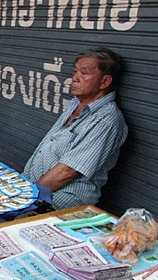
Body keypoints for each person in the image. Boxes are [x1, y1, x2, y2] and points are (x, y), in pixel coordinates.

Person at [23, 47, 128, 210]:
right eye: (75, 72)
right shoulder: (75, 104)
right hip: (36, 190)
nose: (75, 79)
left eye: (84, 74)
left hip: (59, 200)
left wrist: (26, 197)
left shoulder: (106, 120)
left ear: (105, 82)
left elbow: (68, 172)